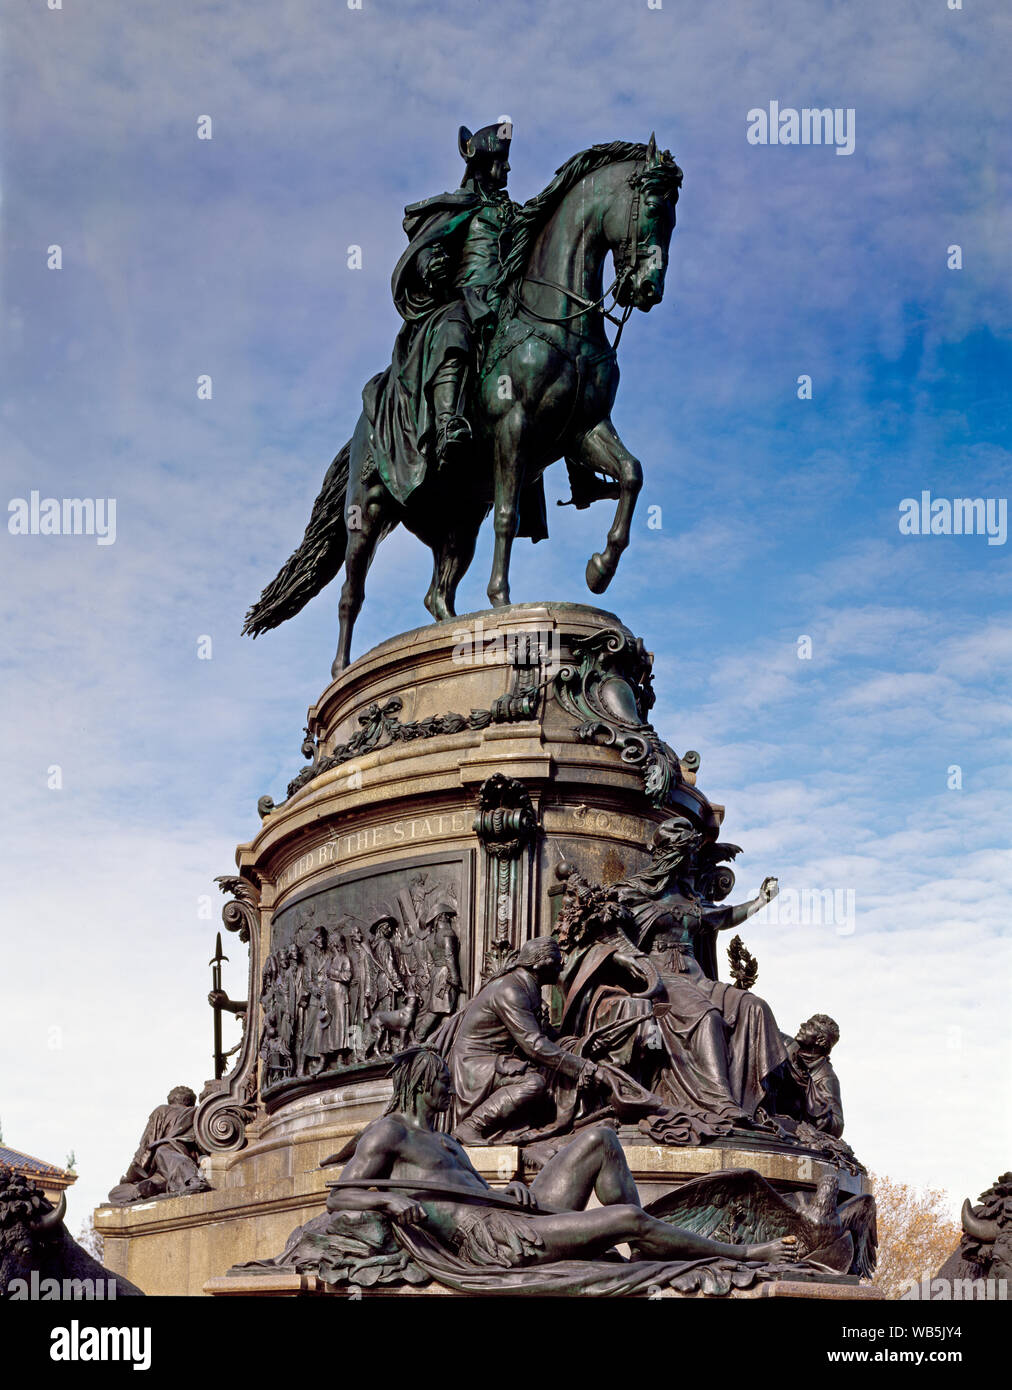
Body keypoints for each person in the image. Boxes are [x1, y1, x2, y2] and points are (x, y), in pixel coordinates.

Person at [326, 1048, 797, 1274]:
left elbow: (473, 1194)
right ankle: (742, 1253)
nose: (451, 1091)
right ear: (422, 1085)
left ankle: (648, 1245)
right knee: (628, 1216)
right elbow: (340, 1194)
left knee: (601, 1138)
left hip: (507, 1214)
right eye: (444, 1084)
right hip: (492, 1241)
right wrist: (386, 1204)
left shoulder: (446, 1140)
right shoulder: (390, 1132)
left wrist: (505, 1193)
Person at [614, 818, 788, 1128]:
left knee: (754, 1007)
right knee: (707, 1017)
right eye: (689, 855)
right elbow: (610, 932)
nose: (694, 862)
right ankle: (719, 1101)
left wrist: (761, 901)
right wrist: (626, 957)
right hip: (660, 975)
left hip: (696, 975)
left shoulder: (692, 899)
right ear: (674, 857)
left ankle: (760, 1103)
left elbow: (723, 916)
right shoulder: (634, 893)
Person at [441, 936, 598, 1143]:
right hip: (475, 1064)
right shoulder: (510, 990)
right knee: (533, 1083)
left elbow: (548, 1037)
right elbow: (534, 1045)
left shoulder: (528, 988)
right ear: (539, 963)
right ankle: (471, 1126)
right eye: (556, 960)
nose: (561, 965)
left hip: (500, 1060)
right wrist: (579, 1067)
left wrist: (582, 1045)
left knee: (549, 1081)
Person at [109, 1087, 211, 1204]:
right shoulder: (198, 1113)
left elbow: (146, 1144)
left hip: (175, 1161)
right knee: (115, 1193)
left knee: (163, 1151)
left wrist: (130, 1176)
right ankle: (149, 1189)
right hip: (161, 1173)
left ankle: (192, 1180)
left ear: (171, 1099)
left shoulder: (163, 1110)